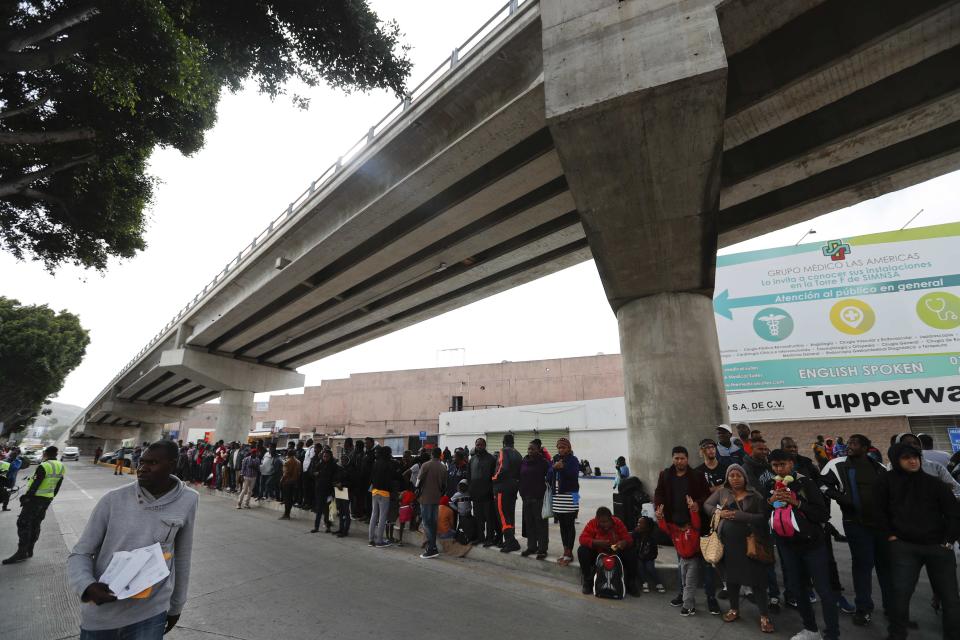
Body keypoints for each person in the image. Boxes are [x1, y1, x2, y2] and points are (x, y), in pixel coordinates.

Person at [66, 440, 198, 639]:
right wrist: (87, 585)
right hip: (103, 616)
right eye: (141, 462)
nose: (142, 469)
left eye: (152, 463)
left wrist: (176, 605)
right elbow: (81, 552)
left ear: (172, 464)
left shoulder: (189, 499)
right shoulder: (112, 500)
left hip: (151, 614)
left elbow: (182, 556)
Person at [877, 442, 960, 640]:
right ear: (896, 460)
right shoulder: (885, 481)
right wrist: (891, 536)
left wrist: (949, 540)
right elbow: (878, 512)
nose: (913, 461)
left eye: (915, 457)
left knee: (950, 598)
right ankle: (897, 634)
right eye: (907, 458)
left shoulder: (934, 483)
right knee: (901, 595)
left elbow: (954, 513)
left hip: (938, 547)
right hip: (904, 547)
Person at [766, 449, 838, 640]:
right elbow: (766, 515)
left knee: (823, 590)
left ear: (791, 463)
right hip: (787, 546)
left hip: (812, 545)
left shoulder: (805, 482)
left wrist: (797, 503)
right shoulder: (770, 484)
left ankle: (832, 634)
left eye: (783, 464)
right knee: (798, 589)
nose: (779, 469)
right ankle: (811, 629)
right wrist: (769, 502)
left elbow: (822, 514)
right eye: (775, 465)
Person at [819, 433, 890, 625]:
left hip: (881, 526)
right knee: (862, 566)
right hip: (856, 525)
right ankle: (863, 608)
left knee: (886, 567)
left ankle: (891, 607)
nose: (850, 445)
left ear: (866, 447)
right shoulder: (838, 464)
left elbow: (889, 492)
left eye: (855, 443)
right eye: (849, 442)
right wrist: (844, 499)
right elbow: (823, 486)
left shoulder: (879, 467)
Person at [704, 464, 775, 633]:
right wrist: (719, 513)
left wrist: (741, 516)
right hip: (728, 546)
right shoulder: (722, 493)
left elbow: (763, 518)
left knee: (757, 581)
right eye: (732, 475)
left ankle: (764, 616)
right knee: (732, 579)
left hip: (750, 546)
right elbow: (707, 505)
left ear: (745, 478)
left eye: (738, 475)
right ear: (728, 478)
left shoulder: (754, 495)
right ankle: (734, 609)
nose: (735, 478)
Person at [654, 445, 714, 610]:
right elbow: (659, 492)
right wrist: (658, 508)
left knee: (707, 566)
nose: (679, 461)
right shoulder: (665, 475)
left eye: (682, 458)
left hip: (697, 527)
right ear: (672, 459)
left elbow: (706, 496)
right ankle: (682, 595)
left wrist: (697, 505)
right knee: (682, 565)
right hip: (678, 530)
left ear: (687, 459)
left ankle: (711, 599)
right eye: (676, 458)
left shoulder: (697, 476)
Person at [2, 446, 65, 564]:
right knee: (36, 523)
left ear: (46, 453)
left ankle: (21, 552)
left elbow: (36, 484)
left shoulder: (44, 466)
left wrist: (26, 498)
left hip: (35, 500)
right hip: (46, 500)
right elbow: (58, 485)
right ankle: (29, 549)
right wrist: (51, 497)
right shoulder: (60, 466)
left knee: (23, 523)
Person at [656, 497, 702, 615]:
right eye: (680, 527)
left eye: (685, 526)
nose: (683, 529)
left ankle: (686, 606)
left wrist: (692, 509)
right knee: (684, 583)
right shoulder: (674, 530)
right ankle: (691, 604)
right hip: (682, 559)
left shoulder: (694, 529)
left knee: (689, 584)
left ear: (689, 523)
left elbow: (696, 520)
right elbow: (663, 527)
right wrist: (660, 517)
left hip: (693, 560)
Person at [578, 506, 634, 595]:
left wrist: (623, 542)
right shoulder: (592, 523)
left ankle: (631, 583)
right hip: (598, 553)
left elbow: (628, 539)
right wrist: (596, 542)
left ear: (611, 518)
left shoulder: (618, 522)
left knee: (631, 551)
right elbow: (582, 539)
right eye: (601, 522)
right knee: (582, 550)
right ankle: (588, 581)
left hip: (615, 552)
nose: (604, 524)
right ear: (597, 520)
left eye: (606, 522)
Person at [894, 433, 960, 499]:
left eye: (915, 443)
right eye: (907, 443)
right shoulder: (893, 470)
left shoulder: (936, 467)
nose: (913, 446)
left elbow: (956, 489)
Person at [548, 437, 581, 565]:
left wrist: (562, 468)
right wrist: (555, 468)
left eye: (564, 447)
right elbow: (549, 474)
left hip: (571, 495)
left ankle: (569, 552)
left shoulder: (574, 460)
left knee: (569, 524)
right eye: (559, 447)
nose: (561, 450)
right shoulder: (555, 458)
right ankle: (565, 550)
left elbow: (573, 475)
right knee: (562, 525)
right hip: (558, 497)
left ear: (569, 448)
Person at [492, 433, 523, 553]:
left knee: (503, 516)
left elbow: (502, 468)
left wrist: (494, 478)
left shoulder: (503, 451)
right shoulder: (518, 454)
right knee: (509, 514)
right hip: (513, 487)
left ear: (503, 442)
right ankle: (510, 540)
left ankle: (511, 542)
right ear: (513, 442)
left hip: (502, 487)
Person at [519, 441, 549, 559]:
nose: (530, 451)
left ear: (538, 450)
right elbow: (520, 477)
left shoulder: (543, 463)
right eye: (529, 449)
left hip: (539, 499)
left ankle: (542, 549)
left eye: (533, 449)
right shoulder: (524, 462)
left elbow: (549, 477)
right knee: (529, 524)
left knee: (541, 524)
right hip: (526, 498)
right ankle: (531, 547)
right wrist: (521, 492)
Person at [418, 447, 447, 559]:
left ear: (431, 454)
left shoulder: (425, 465)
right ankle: (432, 547)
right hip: (436, 499)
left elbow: (418, 482)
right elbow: (445, 486)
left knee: (426, 523)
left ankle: (432, 548)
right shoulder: (443, 467)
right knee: (433, 523)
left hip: (425, 498)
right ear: (440, 455)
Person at [368, 446, 400, 547]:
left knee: (374, 515)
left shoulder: (376, 463)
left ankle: (370, 539)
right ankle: (379, 541)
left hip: (374, 491)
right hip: (384, 493)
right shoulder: (388, 464)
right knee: (382, 517)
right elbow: (393, 477)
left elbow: (372, 477)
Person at [469, 438, 497, 547]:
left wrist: (491, 490)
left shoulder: (491, 459)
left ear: (485, 446)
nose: (479, 447)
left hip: (488, 494)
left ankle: (489, 538)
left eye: (481, 445)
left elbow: (494, 476)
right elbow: (469, 476)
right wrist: (470, 490)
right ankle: (480, 537)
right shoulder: (472, 460)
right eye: (477, 445)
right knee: (478, 518)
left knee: (489, 518)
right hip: (476, 494)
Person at [631, 516, 664, 593]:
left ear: (647, 526)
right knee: (639, 567)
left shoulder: (652, 537)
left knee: (650, 568)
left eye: (641, 523)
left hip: (649, 557)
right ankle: (644, 582)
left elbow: (654, 552)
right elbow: (630, 540)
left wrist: (649, 558)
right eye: (638, 522)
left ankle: (658, 582)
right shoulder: (636, 534)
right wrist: (635, 532)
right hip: (639, 556)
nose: (638, 524)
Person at [311, 449, 338, 534]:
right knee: (319, 510)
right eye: (324, 456)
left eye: (327, 456)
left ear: (330, 457)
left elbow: (335, 477)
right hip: (319, 490)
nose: (325, 458)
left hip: (329, 491)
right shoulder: (320, 464)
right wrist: (316, 473)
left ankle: (328, 526)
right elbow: (313, 472)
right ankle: (316, 527)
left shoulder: (333, 466)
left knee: (328, 510)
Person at [278, 449, 301, 520]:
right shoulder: (298, 462)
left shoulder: (287, 462)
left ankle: (286, 514)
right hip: (295, 481)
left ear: (288, 454)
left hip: (287, 482)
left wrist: (281, 480)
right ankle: (288, 513)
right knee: (290, 499)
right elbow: (299, 472)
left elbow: (286, 473)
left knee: (287, 499)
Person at [334, 454, 352, 538]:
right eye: (342, 459)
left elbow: (351, 482)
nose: (343, 461)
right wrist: (337, 484)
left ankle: (345, 530)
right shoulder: (339, 469)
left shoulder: (350, 470)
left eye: (345, 460)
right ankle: (341, 528)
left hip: (346, 491)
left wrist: (342, 484)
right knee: (340, 511)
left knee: (346, 512)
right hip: (339, 490)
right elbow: (335, 478)